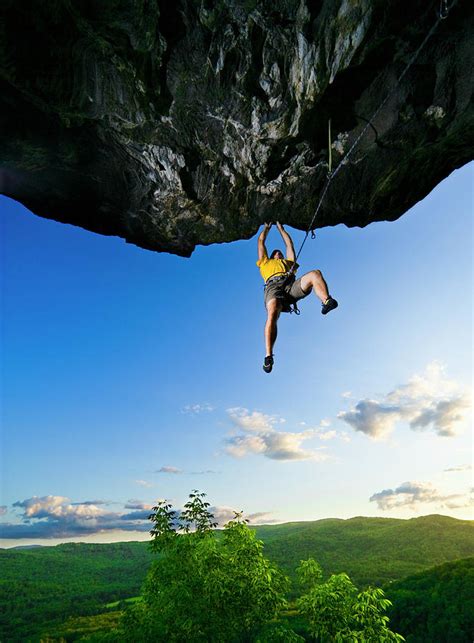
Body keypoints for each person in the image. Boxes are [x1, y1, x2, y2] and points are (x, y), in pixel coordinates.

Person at [257, 222, 338, 373]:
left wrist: (281, 229)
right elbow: (261, 242)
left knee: (315, 274)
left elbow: (289, 245)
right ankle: (268, 356)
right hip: (273, 286)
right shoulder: (265, 262)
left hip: (290, 286)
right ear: (272, 256)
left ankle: (327, 301)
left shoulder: (288, 263)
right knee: (273, 311)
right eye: (276, 253)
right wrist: (267, 228)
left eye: (280, 253)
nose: (279, 254)